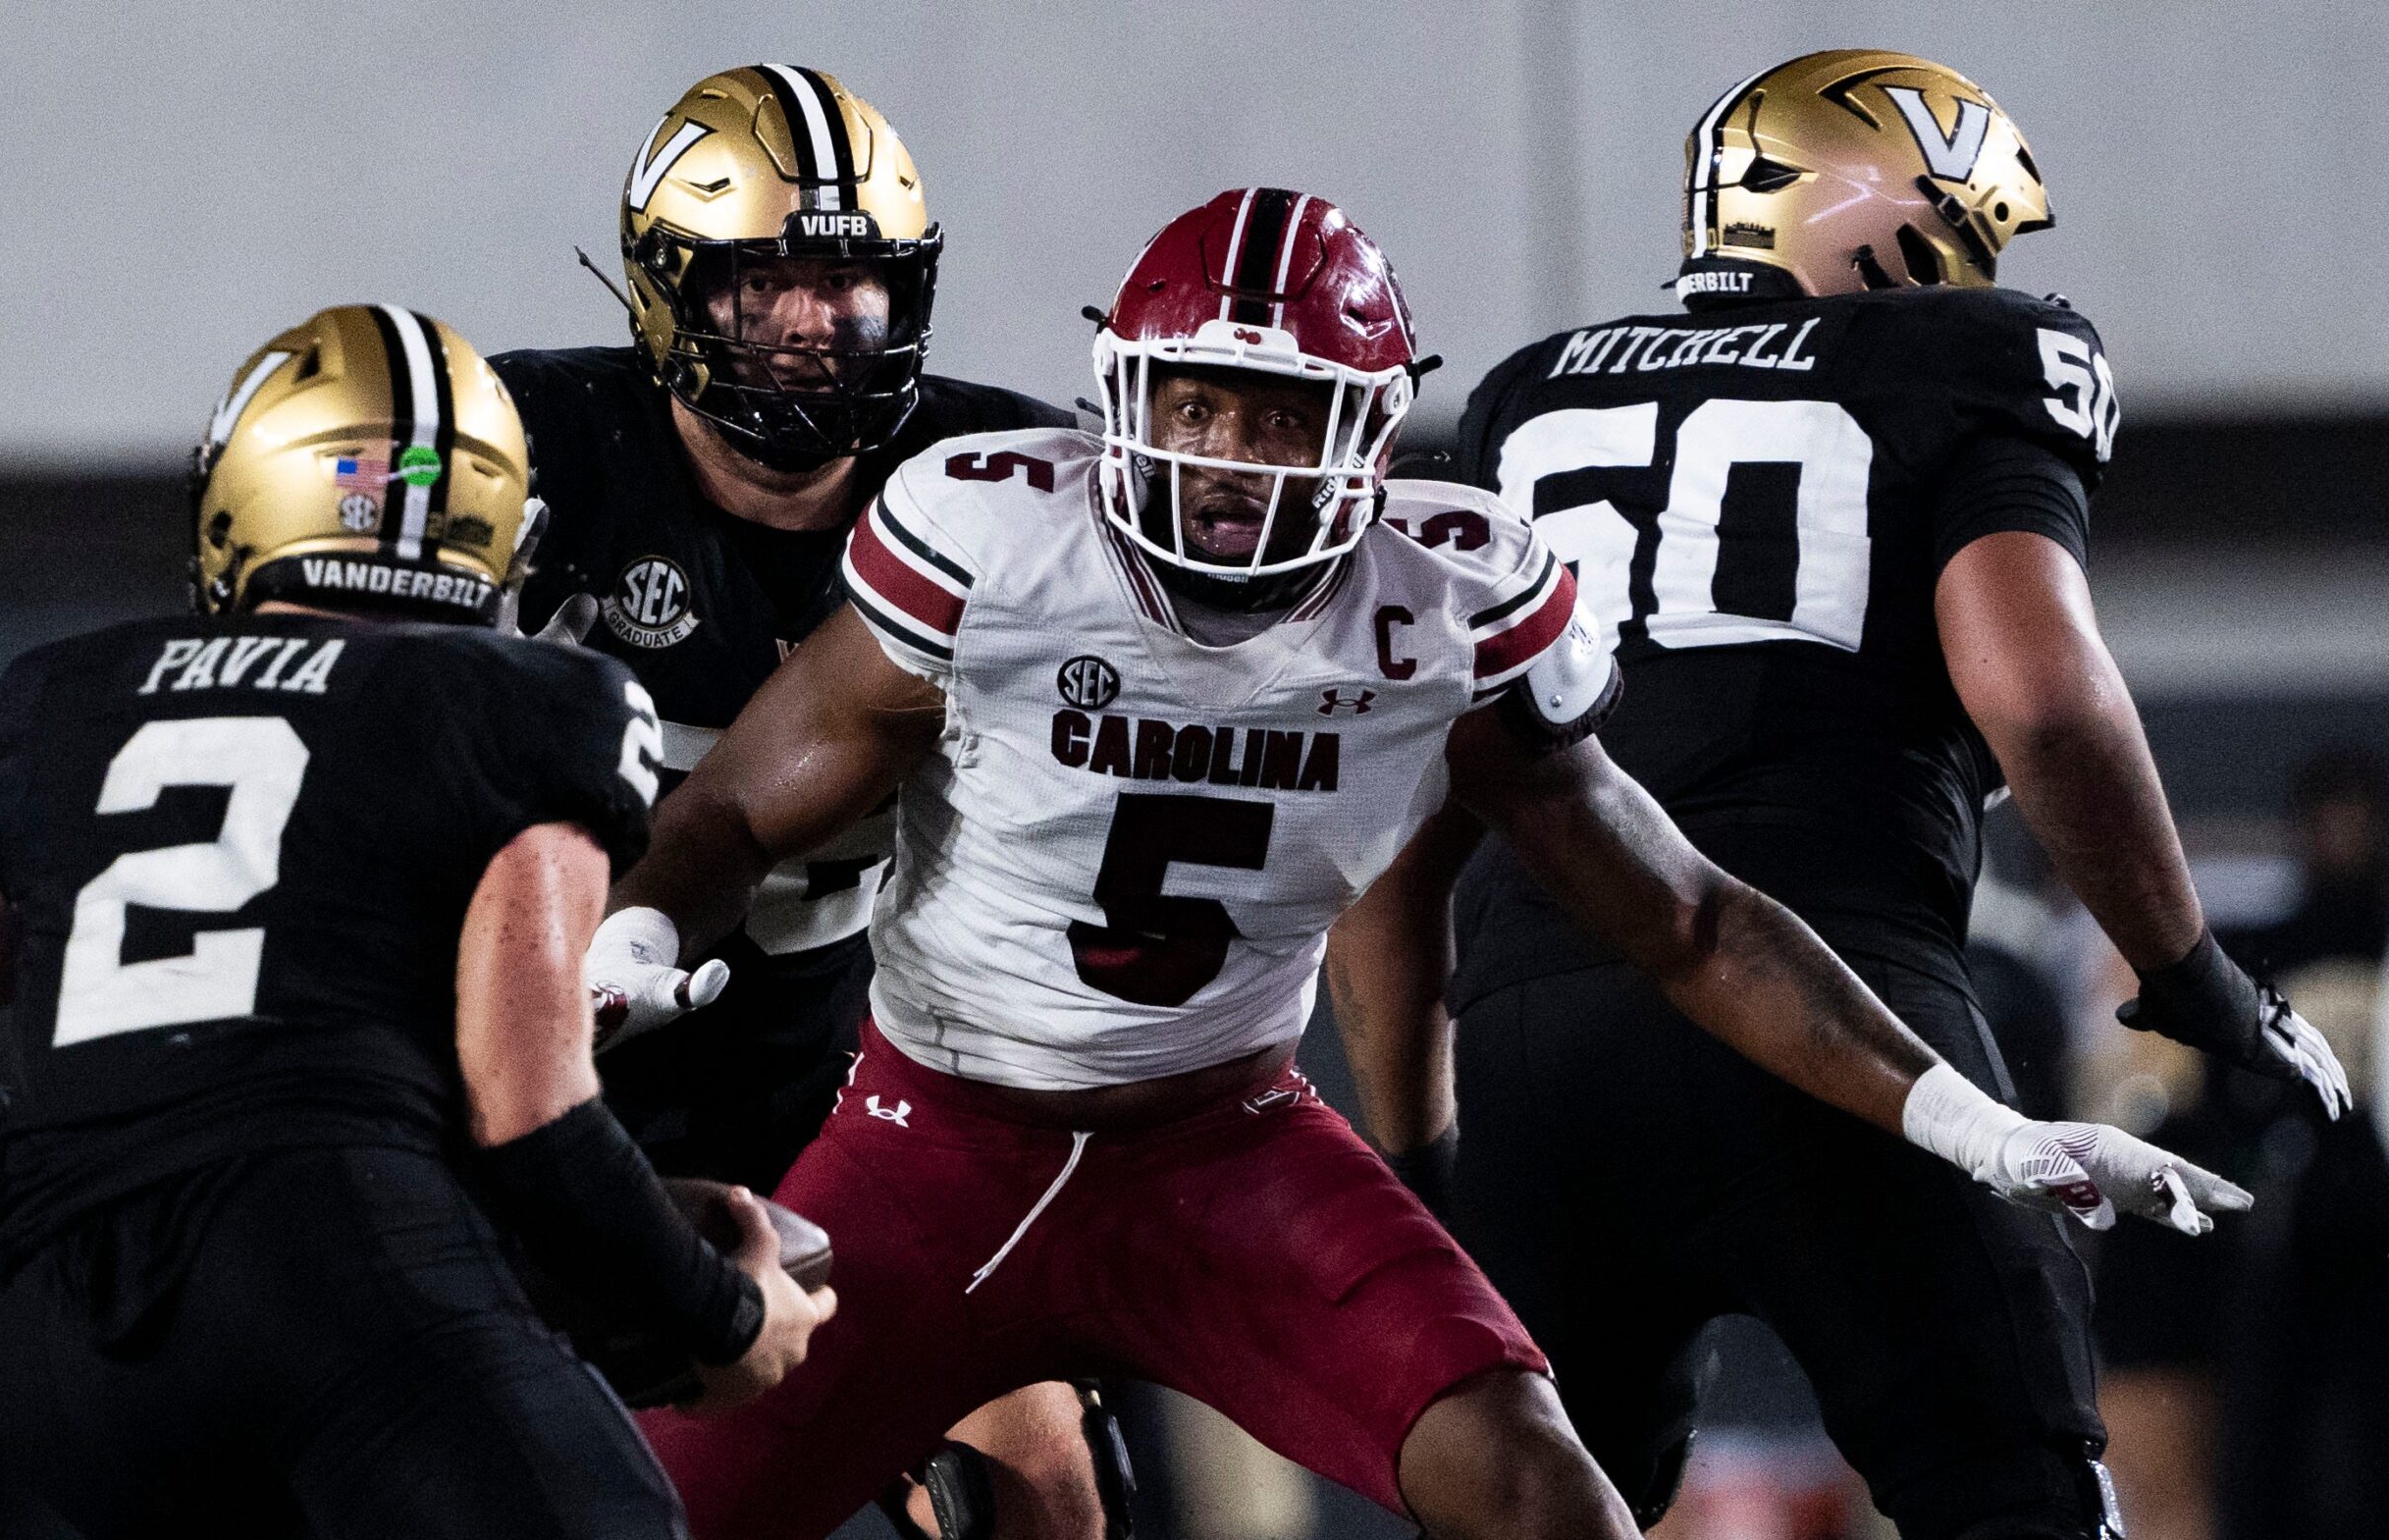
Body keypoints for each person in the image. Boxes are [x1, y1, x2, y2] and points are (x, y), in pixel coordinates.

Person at [594, 186, 2242, 1540]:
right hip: (930, 1142)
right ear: (1125, 398)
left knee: (1546, 1491)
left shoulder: (1441, 607)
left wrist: (1973, 1117)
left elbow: (1682, 915)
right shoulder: (996, 542)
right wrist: (640, 930)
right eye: (1200, 404)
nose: (1233, 457)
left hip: (1225, 1147)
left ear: (1373, 438)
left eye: (1282, 413)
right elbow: (737, 805)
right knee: (629, 1505)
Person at [1339, 49, 2349, 1540]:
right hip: (1840, 1003)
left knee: (1540, 1511)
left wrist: (1425, 1160)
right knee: (2014, 1497)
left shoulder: (1522, 402)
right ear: (1890, 215)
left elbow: (1402, 831)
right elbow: (2046, 703)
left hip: (1537, 1032)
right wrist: (2190, 972)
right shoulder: (1968, 355)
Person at [0, 305, 831, 1539]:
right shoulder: (524, 700)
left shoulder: (64, 696)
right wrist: (721, 1315)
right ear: (502, 534)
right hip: (338, 1274)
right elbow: (530, 1108)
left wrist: (46, 1185)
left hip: (71, 1349)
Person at [491, 65, 1109, 1537]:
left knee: (1051, 1467)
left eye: (852, 285)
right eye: (763, 287)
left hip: (849, 1038)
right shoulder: (536, 449)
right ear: (669, 296)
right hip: (569, 1048)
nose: (817, 328)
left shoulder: (994, 478)